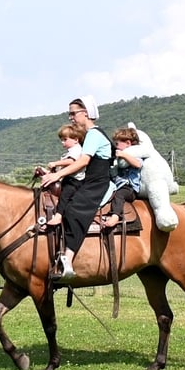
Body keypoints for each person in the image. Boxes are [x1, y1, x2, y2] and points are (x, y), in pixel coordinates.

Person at [41, 97, 113, 281]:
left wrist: (57, 175)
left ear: (86, 113)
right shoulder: (89, 136)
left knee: (74, 210)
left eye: (73, 113)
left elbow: (83, 161)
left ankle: (68, 260)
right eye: (70, 114)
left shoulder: (94, 135)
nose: (71, 117)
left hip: (98, 182)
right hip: (90, 180)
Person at [45, 123, 86, 226]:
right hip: (68, 179)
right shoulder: (69, 151)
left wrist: (55, 163)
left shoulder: (77, 150)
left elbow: (71, 162)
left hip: (75, 181)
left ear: (76, 139)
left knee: (65, 194)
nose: (62, 142)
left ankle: (58, 216)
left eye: (65, 139)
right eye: (61, 140)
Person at [103, 127, 143, 228]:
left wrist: (123, 155)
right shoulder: (118, 158)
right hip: (118, 185)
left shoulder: (135, 155)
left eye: (117, 144)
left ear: (128, 143)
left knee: (119, 195)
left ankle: (115, 216)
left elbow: (137, 164)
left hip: (129, 188)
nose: (116, 147)